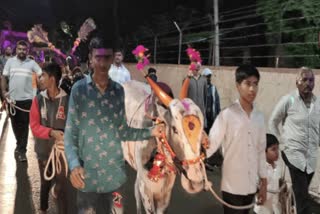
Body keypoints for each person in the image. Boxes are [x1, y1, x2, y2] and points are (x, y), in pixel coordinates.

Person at [64, 36, 163, 213]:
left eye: (107, 58)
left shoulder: (118, 91)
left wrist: (151, 131)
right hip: (88, 177)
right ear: (90, 59)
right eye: (98, 58)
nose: (102, 64)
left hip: (115, 179)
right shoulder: (79, 90)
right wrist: (74, 165)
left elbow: (123, 131)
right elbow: (70, 133)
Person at [207, 64, 267, 214]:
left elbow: (260, 151)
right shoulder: (226, 115)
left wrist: (264, 182)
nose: (252, 89)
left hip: (251, 186)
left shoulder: (259, 118)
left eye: (255, 84)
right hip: (232, 186)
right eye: (247, 84)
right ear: (238, 86)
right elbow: (210, 145)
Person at [269, 67, 319, 214]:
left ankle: (289, 205)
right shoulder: (289, 100)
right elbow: (273, 121)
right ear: (296, 82)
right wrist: (281, 143)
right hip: (292, 153)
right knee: (303, 198)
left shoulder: (318, 103)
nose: (308, 83)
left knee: (301, 191)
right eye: (304, 80)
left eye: (311, 80)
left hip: (310, 157)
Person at [29, 62, 71, 214]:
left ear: (52, 79)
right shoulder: (37, 100)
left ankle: (59, 198)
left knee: (61, 183)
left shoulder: (68, 100)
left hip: (61, 152)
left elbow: (73, 125)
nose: (39, 79)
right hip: (43, 150)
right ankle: (43, 209)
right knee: (45, 182)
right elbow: (34, 126)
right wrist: (51, 132)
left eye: (43, 76)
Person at [1, 40, 42, 161]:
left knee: (24, 126)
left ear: (27, 50)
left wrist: (39, 88)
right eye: (20, 49)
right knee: (15, 125)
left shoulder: (32, 63)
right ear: (16, 50)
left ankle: (22, 151)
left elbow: (41, 74)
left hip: (27, 101)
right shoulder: (10, 62)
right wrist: (3, 92)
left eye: (24, 49)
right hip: (13, 101)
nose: (22, 51)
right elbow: (4, 77)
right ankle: (19, 144)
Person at [254, 134, 281, 214]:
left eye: (277, 148)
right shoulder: (259, 168)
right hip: (262, 210)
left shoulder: (278, 167)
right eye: (273, 149)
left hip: (275, 209)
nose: (277, 152)